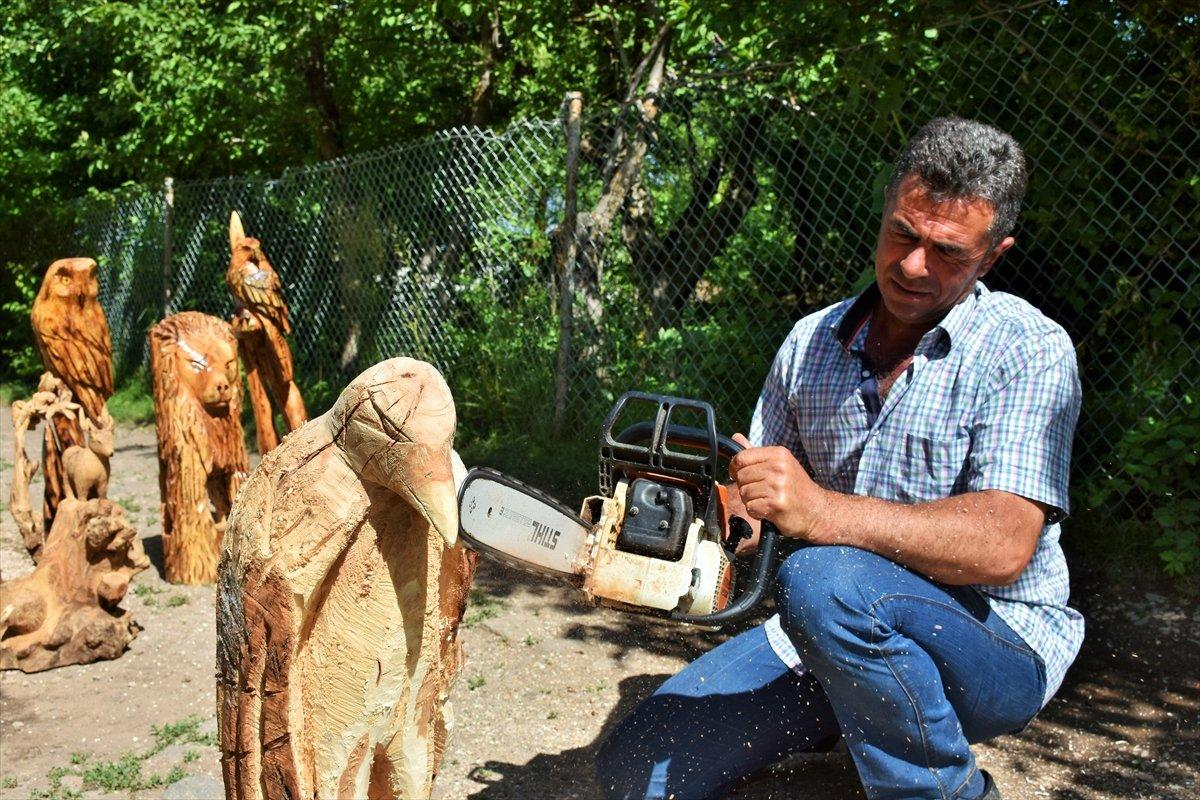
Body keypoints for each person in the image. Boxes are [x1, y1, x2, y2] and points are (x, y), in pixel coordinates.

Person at [595, 117, 1084, 800]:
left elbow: (1004, 544)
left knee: (825, 579)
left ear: (993, 256)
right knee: (639, 768)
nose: (914, 265)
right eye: (903, 234)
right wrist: (698, 518)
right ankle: (862, 728)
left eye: (946, 251)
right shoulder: (810, 341)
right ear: (885, 212)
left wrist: (819, 511)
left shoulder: (1027, 349)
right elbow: (760, 479)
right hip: (830, 635)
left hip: (996, 642)